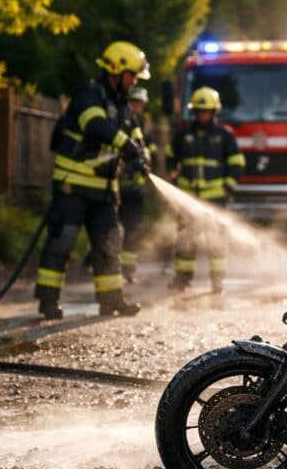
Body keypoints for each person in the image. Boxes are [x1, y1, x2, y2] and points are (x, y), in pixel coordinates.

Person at [35, 41, 150, 320]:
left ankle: (112, 301)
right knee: (62, 243)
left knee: (110, 246)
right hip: (72, 187)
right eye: (132, 75)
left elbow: (135, 137)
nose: (134, 81)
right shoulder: (90, 94)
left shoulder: (124, 107)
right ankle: (48, 302)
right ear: (116, 70)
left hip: (104, 192)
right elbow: (95, 125)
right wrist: (128, 146)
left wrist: (141, 157)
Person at [165, 86, 244, 294]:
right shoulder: (183, 135)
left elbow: (236, 162)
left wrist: (228, 186)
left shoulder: (224, 136)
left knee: (216, 242)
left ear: (214, 112)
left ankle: (217, 281)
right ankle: (182, 279)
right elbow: (170, 154)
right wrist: (172, 172)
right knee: (185, 241)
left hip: (215, 200)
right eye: (199, 111)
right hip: (188, 199)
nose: (203, 115)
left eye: (207, 111)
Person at [117, 85, 157, 283]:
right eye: (134, 102)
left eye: (139, 103)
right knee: (112, 227)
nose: (136, 106)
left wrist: (145, 159)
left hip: (135, 189)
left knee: (133, 229)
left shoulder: (141, 127)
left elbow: (150, 154)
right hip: (116, 187)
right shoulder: (118, 120)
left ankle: (128, 269)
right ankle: (108, 265)